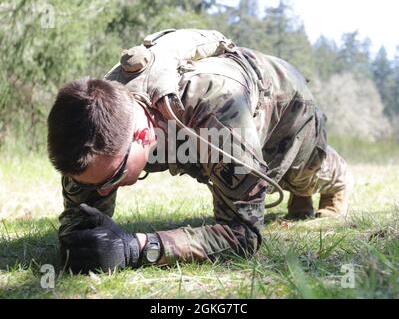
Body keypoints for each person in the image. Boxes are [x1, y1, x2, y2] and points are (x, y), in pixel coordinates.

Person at [47, 29, 353, 273]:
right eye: (94, 183)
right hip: (182, 129)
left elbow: (243, 234)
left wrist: (139, 247)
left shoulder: (219, 111)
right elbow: (84, 205)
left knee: (300, 176)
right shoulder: (96, 121)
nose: (101, 193)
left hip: (285, 104)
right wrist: (80, 238)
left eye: (112, 178)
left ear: (142, 135)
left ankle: (333, 178)